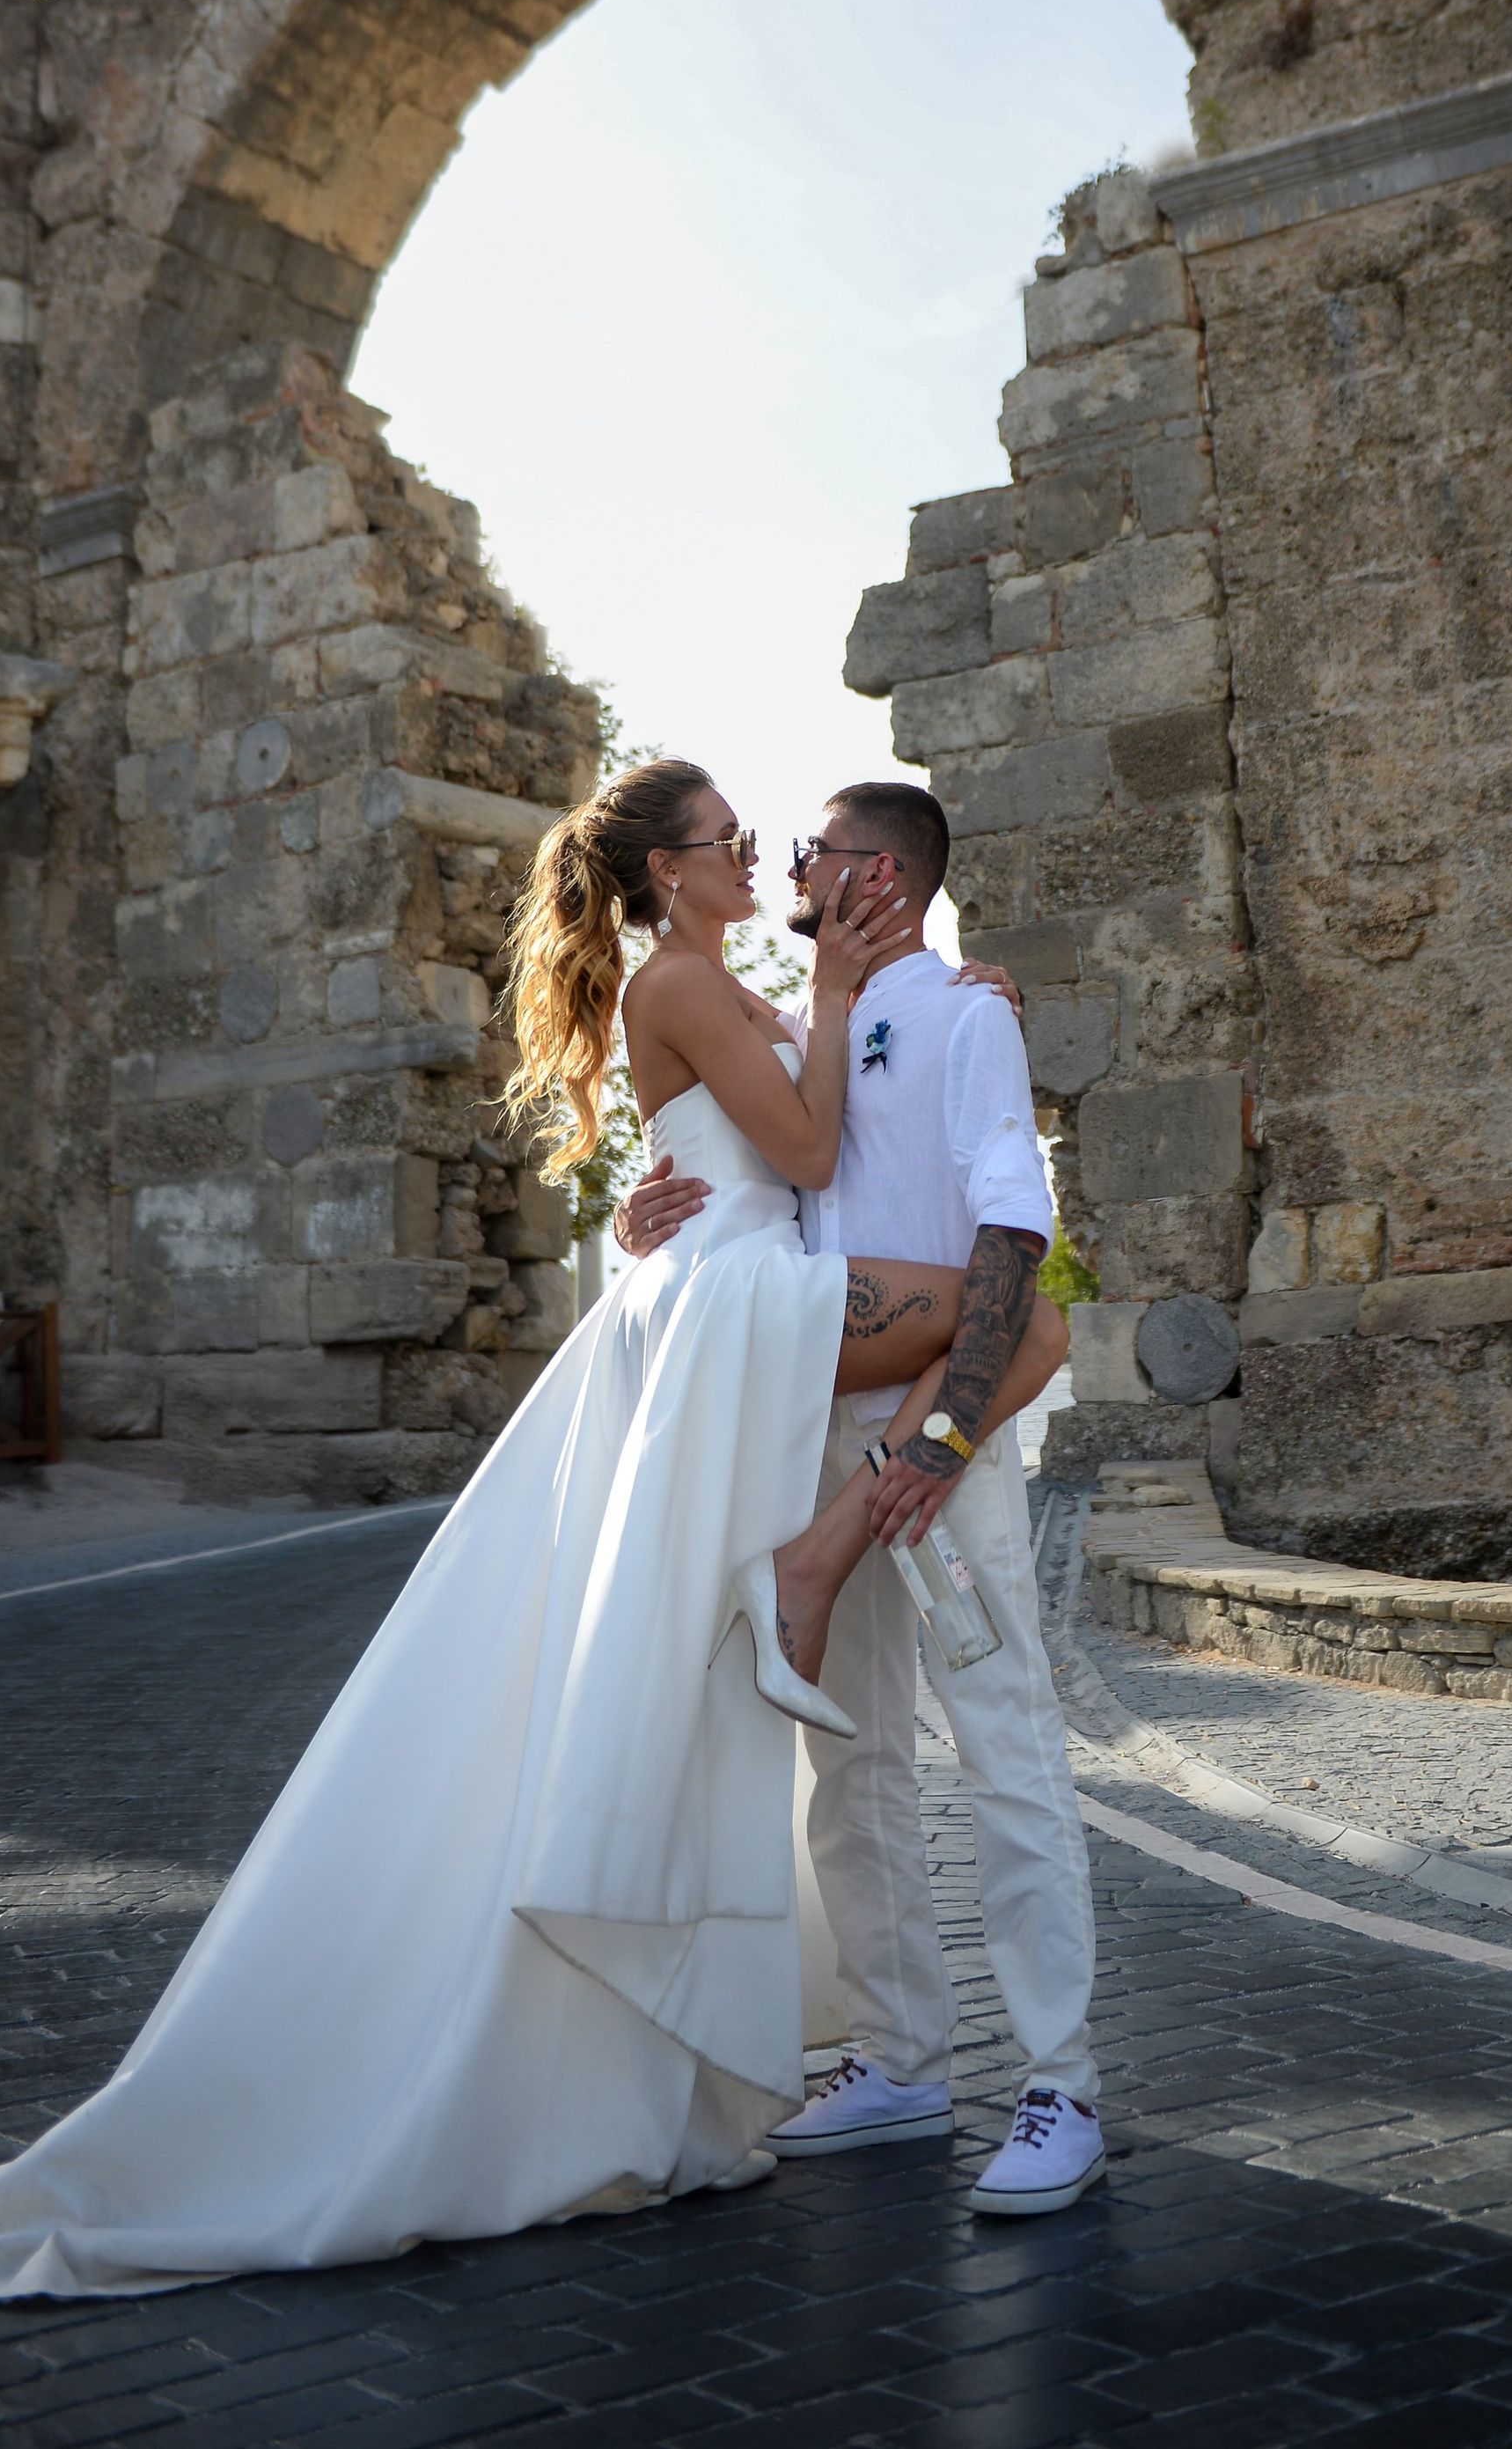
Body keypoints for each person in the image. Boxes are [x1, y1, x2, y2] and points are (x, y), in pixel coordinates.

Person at [0, 760, 1066, 2302]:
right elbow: (800, 1154)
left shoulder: (744, 982)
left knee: (950, 1443)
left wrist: (929, 997)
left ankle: (832, 1591)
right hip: (744, 1316)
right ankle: (827, 1572)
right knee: (1017, 1330)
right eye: (731, 840)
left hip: (747, 1308)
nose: (761, 854)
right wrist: (839, 1000)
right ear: (664, 873)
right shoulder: (693, 978)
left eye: (784, 845)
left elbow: (822, 1127)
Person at [616, 779, 1105, 2217]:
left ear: (878, 874)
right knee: (857, 1761)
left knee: (1005, 1738)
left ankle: (1060, 2081)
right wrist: (646, 1202)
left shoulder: (968, 1014)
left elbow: (1020, 1222)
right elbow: (752, 1170)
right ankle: (898, 2056)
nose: (794, 863)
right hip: (806, 1422)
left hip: (935, 1434)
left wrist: (951, 1429)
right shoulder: (806, 1011)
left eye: (819, 849)